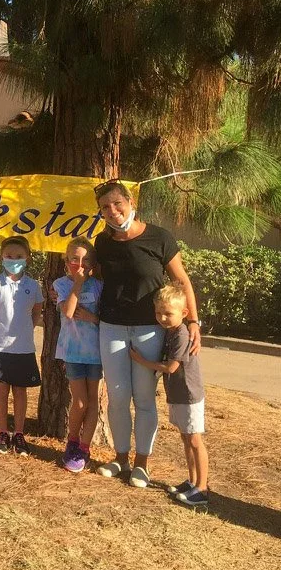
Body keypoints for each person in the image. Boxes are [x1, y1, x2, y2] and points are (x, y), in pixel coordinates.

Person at [92, 180, 201, 488]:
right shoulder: (103, 243)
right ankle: (121, 458)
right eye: (105, 208)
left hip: (150, 330)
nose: (112, 212)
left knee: (143, 398)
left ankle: (142, 464)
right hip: (111, 327)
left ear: (130, 202)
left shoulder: (159, 237)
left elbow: (183, 281)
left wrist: (193, 322)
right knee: (116, 397)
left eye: (117, 204)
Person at [130, 284, 209, 507]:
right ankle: (192, 481)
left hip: (189, 393)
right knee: (186, 438)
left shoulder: (181, 334)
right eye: (158, 313)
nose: (162, 318)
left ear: (184, 314)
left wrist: (140, 361)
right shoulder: (170, 332)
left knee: (195, 439)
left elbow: (172, 367)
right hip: (177, 393)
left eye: (168, 314)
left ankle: (202, 488)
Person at [0, 235, 44, 456]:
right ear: (2, 257)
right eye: (9, 256)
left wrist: (25, 329)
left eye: (18, 256)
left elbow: (37, 312)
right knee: (1, 389)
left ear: (27, 258)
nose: (13, 260)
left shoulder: (33, 286)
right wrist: (0, 329)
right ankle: (2, 432)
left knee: (20, 391)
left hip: (23, 347)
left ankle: (19, 433)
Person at [52, 237, 103, 473]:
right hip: (73, 351)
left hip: (96, 353)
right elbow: (70, 312)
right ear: (67, 260)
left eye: (85, 260)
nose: (79, 264)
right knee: (79, 402)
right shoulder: (61, 284)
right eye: (74, 259)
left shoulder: (99, 286)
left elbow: (103, 319)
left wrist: (92, 318)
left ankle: (84, 447)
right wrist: (78, 284)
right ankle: (72, 441)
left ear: (92, 264)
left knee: (93, 402)